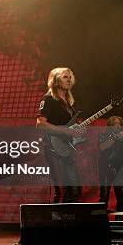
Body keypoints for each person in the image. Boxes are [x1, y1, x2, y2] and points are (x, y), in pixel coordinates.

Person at [36, 67, 83, 203]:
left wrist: (78, 130)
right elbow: (40, 124)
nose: (68, 79)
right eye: (65, 77)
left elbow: (70, 126)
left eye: (70, 77)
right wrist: (67, 131)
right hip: (54, 148)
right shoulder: (49, 98)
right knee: (63, 189)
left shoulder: (68, 102)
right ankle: (58, 219)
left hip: (66, 149)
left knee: (75, 189)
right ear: (56, 81)